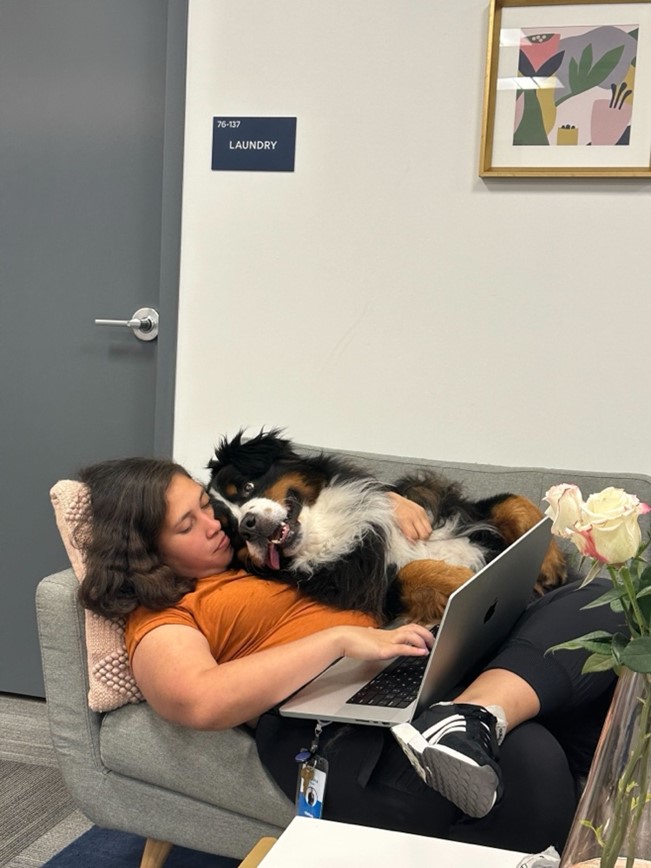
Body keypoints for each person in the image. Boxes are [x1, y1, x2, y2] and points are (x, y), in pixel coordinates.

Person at [77, 456, 626, 854]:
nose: (215, 523)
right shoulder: (165, 613)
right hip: (330, 731)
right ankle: (476, 722)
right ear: (147, 551)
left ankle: (471, 716)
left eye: (205, 505)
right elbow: (197, 699)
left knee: (604, 601)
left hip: (410, 679)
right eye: (185, 525)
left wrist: (384, 501)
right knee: (532, 765)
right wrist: (336, 642)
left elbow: (332, 526)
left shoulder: (256, 557)